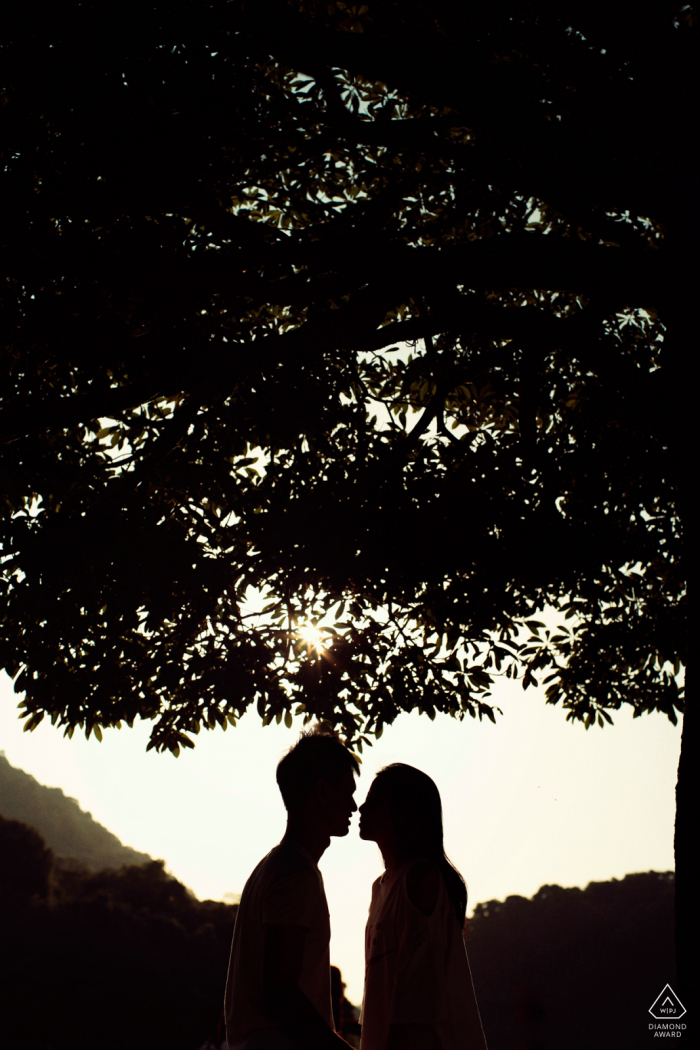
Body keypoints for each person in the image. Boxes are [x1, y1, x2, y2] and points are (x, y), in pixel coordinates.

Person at [224, 726, 359, 1050]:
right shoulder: (295, 874)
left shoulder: (275, 868)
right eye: (348, 792)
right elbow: (281, 993)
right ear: (323, 791)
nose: (354, 807)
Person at [358, 764, 488, 1050]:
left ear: (406, 812)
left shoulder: (421, 879)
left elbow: (418, 1002)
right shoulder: (380, 887)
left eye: (376, 800)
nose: (361, 808)